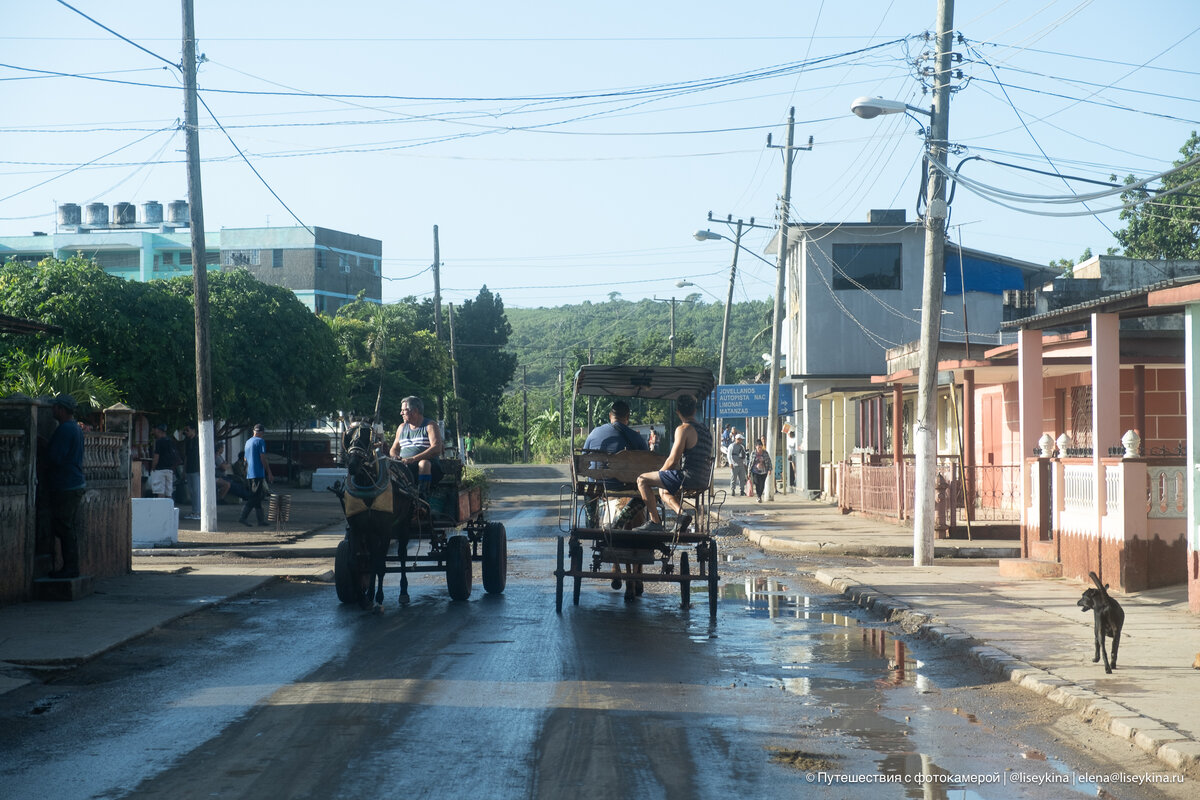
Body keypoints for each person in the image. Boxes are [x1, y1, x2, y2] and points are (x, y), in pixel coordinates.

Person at [633, 393, 712, 533]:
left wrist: (659, 474)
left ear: (677, 412)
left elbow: (673, 460)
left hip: (688, 477)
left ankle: (655, 522)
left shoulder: (684, 429)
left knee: (642, 480)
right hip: (704, 478)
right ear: (694, 410)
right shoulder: (706, 430)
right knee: (664, 490)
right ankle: (681, 514)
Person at [581, 401, 647, 527]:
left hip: (599, 486)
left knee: (588, 486)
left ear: (610, 415)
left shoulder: (594, 432)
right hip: (625, 487)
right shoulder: (636, 437)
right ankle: (622, 519)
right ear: (627, 417)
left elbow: (583, 462)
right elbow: (646, 465)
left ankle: (592, 524)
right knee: (647, 492)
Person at [45, 394, 86, 579]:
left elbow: (56, 457)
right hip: (73, 482)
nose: (52, 410)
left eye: (54, 407)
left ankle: (70, 568)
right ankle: (70, 567)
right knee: (66, 526)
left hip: (66, 484)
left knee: (63, 526)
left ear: (61, 409)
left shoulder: (65, 430)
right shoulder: (75, 428)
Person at [389, 396, 443, 493]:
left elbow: (436, 448)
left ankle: (423, 494)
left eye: (404, 410)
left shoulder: (430, 425)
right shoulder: (401, 428)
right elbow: (394, 449)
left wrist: (413, 459)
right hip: (405, 467)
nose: (401, 413)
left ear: (414, 411)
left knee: (424, 464)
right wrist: (395, 457)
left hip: (429, 469)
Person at [239, 423, 275, 526]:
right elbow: (262, 458)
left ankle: (261, 520)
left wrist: (246, 471)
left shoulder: (248, 442)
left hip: (250, 473)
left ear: (254, 431)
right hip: (257, 473)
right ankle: (242, 517)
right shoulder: (260, 442)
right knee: (254, 497)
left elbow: (245, 459)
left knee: (257, 496)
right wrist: (269, 472)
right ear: (262, 433)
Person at [148, 423, 180, 501]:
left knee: (160, 492)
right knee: (169, 492)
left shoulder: (159, 442)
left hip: (160, 470)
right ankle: (169, 510)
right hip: (169, 470)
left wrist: (153, 467)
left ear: (159, 431)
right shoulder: (170, 441)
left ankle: (161, 511)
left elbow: (156, 457)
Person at [182, 423, 201, 520]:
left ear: (194, 430)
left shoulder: (199, 441)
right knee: (192, 492)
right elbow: (186, 457)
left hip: (196, 470)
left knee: (197, 491)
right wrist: (184, 471)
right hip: (189, 469)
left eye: (187, 430)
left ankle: (198, 512)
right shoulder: (188, 441)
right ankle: (194, 511)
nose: (186, 432)